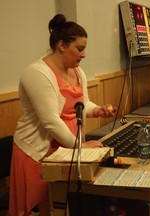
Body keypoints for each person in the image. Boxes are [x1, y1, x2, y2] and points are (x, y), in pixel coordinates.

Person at [9, 14, 116, 216]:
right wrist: (80, 146)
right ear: (62, 45)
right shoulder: (37, 73)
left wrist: (98, 110)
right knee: (46, 208)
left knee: (64, 204)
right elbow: (50, 121)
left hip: (67, 149)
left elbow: (81, 104)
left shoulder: (77, 72)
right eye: (80, 48)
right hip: (38, 152)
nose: (84, 54)